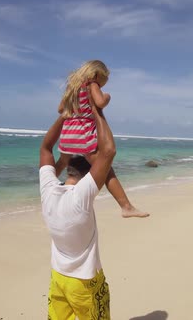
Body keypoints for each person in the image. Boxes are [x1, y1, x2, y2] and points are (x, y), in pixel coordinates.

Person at [39, 98, 116, 319]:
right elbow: (108, 152)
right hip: (84, 282)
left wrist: (65, 116)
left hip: (58, 278)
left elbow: (45, 148)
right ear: (88, 174)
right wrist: (96, 110)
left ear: (68, 169)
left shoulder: (48, 190)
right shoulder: (82, 197)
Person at [56, 60, 148, 218]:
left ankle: (49, 187)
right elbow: (100, 102)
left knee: (65, 165)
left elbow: (60, 109)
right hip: (83, 136)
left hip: (67, 136)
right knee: (105, 169)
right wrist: (106, 97)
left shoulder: (72, 88)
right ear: (97, 74)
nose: (102, 86)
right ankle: (126, 206)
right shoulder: (92, 85)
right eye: (103, 82)